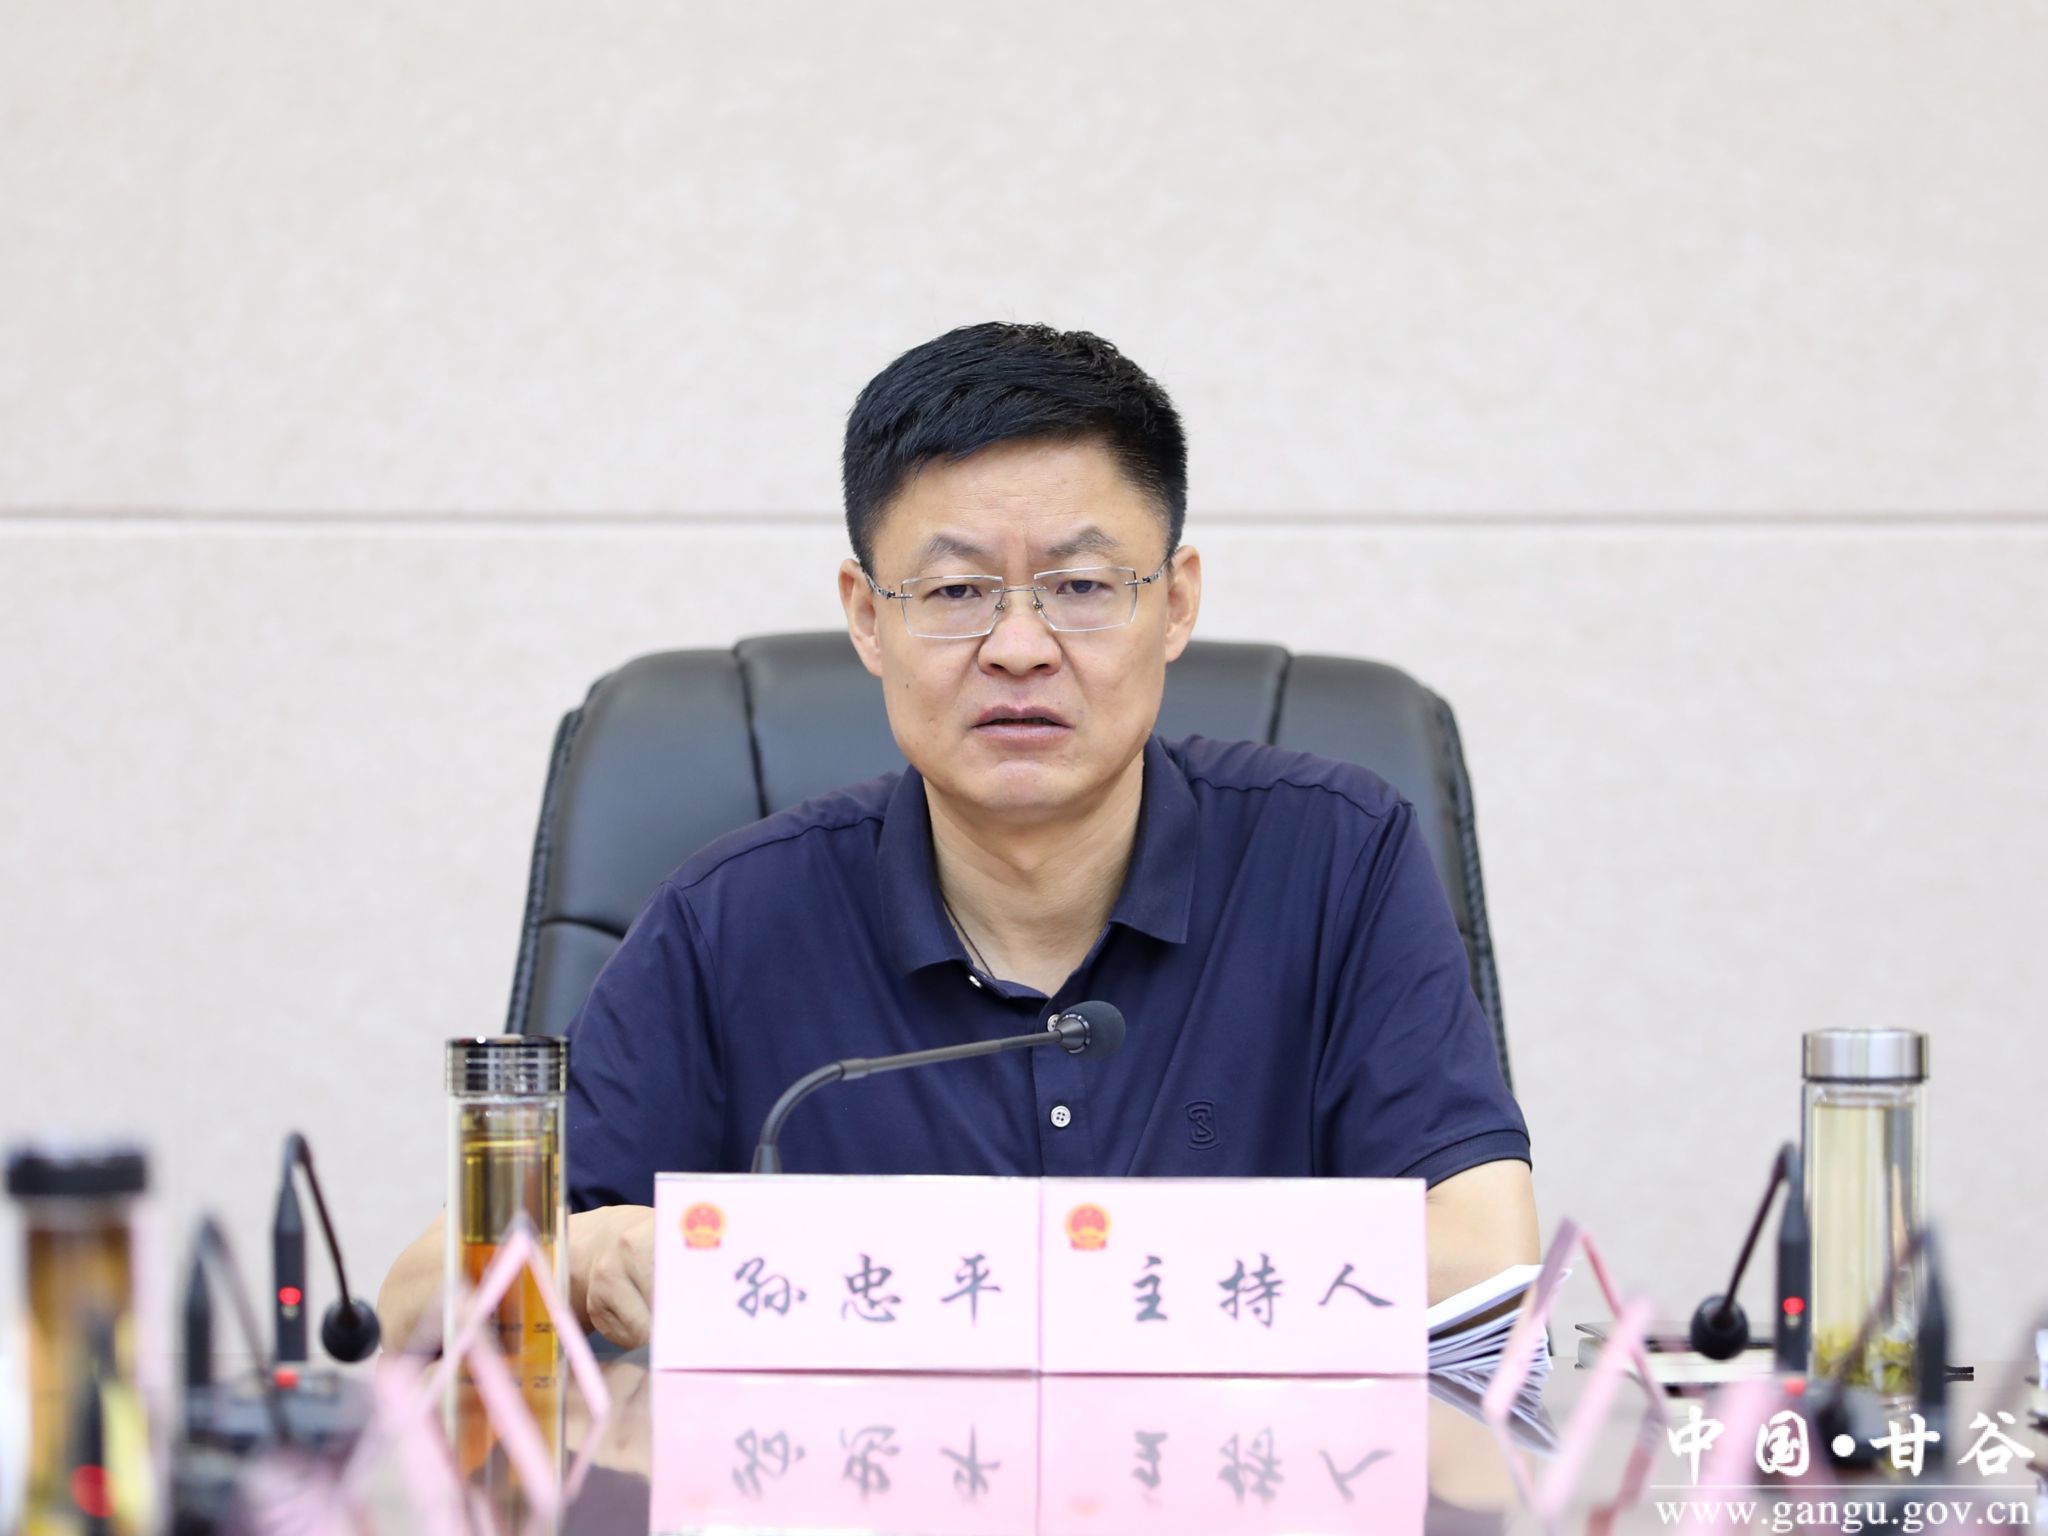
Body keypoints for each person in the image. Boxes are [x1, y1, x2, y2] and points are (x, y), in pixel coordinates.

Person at [380, 323, 1538, 1349]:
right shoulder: (729, 919)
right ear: (865, 618)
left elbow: (1485, 1259)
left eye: (1081, 586)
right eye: (952, 594)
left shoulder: (1335, 860)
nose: (1019, 648)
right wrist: (580, 1253)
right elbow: (415, 1301)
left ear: (1175, 602)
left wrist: (1014, 1281)